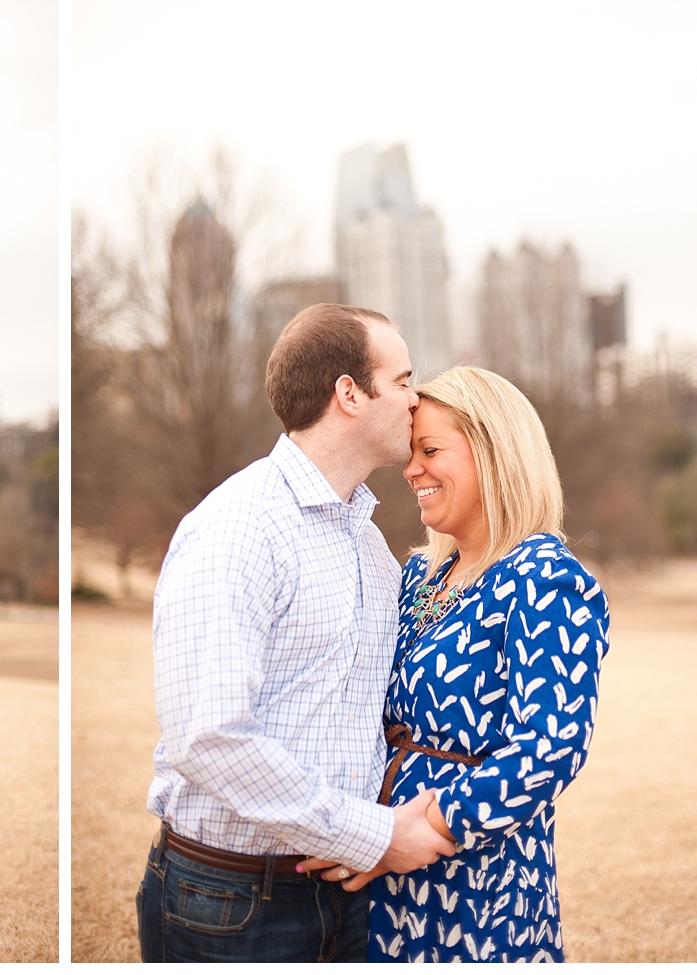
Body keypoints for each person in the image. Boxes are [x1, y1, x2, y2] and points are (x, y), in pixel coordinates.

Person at [137, 303, 457, 963]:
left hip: (349, 892)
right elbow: (209, 735)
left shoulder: (370, 545)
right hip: (232, 900)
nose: (415, 398)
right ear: (349, 393)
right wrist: (372, 833)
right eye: (401, 380)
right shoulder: (239, 526)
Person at [308, 366, 610, 962]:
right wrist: (352, 827)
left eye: (431, 450)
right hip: (376, 880)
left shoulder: (546, 579)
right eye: (410, 451)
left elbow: (548, 749)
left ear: (494, 454)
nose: (410, 468)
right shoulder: (420, 574)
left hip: (476, 886)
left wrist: (428, 827)